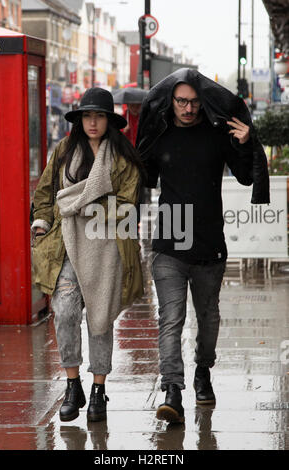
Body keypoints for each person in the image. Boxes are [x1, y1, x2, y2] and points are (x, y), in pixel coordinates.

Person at [136, 68, 269, 424]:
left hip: (210, 243)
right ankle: (172, 390)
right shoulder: (160, 133)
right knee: (171, 319)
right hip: (168, 243)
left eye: (194, 102)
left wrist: (245, 142)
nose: (189, 108)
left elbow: (244, 175)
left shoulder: (216, 134)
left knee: (208, 320)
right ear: (171, 101)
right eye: (181, 101)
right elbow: (141, 174)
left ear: (202, 102)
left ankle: (203, 371)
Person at [31, 87, 144, 423]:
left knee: (99, 316)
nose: (93, 122)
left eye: (99, 116)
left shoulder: (123, 156)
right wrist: (41, 221)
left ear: (110, 121)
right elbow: (46, 193)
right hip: (66, 244)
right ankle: (72, 385)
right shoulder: (65, 150)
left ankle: (98, 389)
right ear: (79, 119)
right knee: (64, 311)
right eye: (87, 115)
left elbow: (128, 204)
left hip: (107, 246)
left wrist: (89, 206)